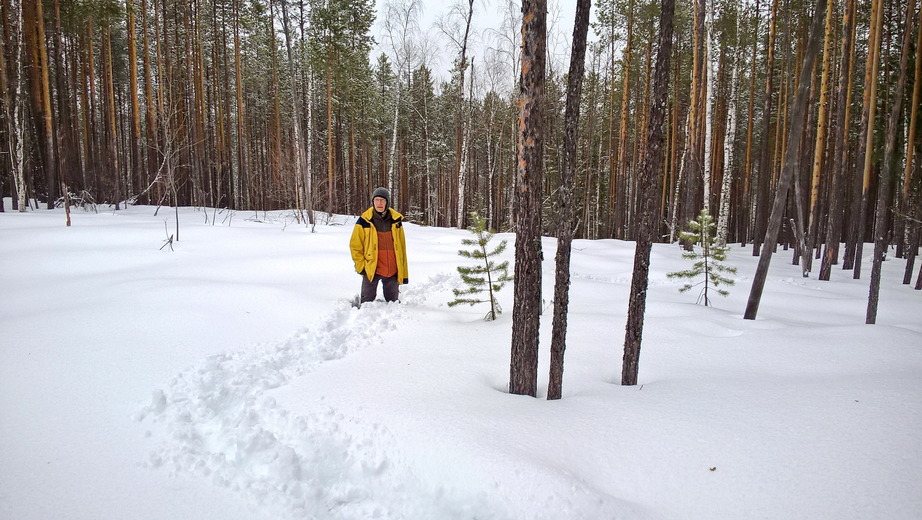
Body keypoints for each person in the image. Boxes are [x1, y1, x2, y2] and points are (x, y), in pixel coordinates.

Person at [349, 187, 409, 304]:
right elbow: (355, 246)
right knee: (366, 303)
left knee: (393, 303)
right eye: (376, 200)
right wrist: (361, 266)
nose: (379, 203)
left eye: (382, 200)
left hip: (392, 269)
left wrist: (401, 267)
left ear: (387, 203)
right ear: (373, 202)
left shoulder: (396, 221)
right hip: (372, 269)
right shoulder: (364, 221)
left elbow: (401, 247)